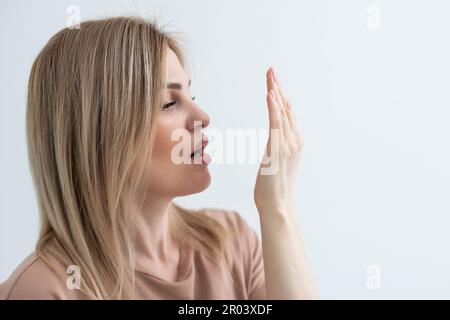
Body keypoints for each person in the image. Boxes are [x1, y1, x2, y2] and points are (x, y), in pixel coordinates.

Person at [0, 16, 319, 300]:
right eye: (169, 103)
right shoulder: (43, 289)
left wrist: (276, 208)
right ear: (100, 134)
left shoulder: (230, 244)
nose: (202, 116)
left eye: (190, 96)